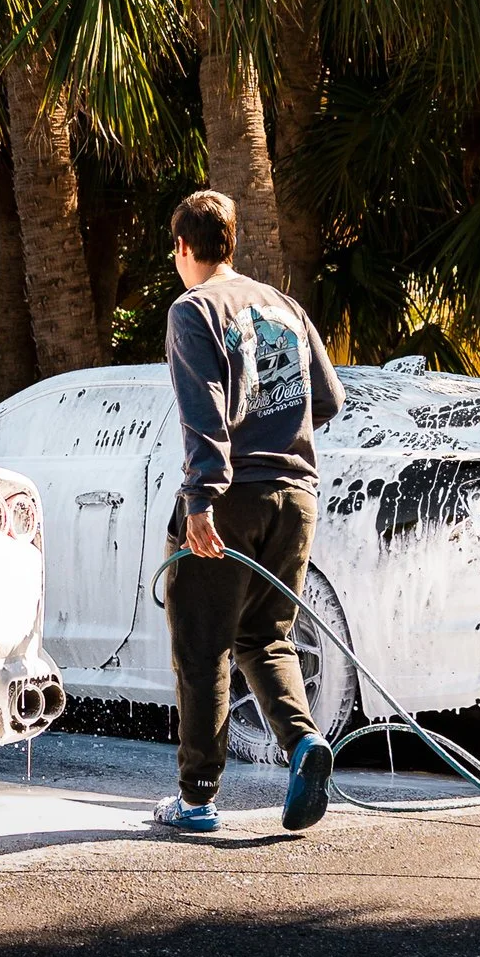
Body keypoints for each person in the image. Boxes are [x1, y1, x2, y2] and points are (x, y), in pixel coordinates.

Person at [154, 187, 345, 839]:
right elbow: (329, 398)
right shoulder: (284, 306)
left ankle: (197, 797)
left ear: (184, 247)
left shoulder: (193, 310)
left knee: (203, 642)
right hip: (297, 495)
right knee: (266, 635)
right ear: (231, 242)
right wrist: (276, 428)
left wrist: (202, 499)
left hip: (231, 496)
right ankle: (303, 744)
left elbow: (204, 410)